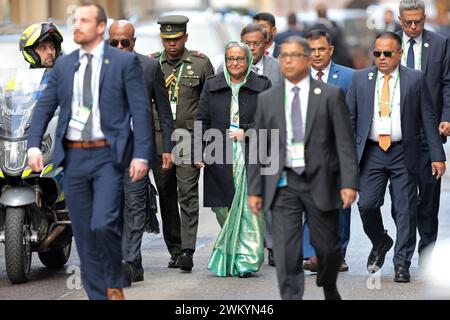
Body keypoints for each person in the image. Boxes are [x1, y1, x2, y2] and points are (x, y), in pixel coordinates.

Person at [27, 3, 153, 300]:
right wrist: (33, 144)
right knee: (83, 232)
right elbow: (45, 106)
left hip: (108, 157)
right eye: (75, 20)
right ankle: (100, 295)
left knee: (103, 223)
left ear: (99, 27)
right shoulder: (64, 65)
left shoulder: (123, 64)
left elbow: (141, 112)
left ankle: (112, 278)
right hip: (73, 159)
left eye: (84, 20)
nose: (77, 25)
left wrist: (142, 155)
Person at [247, 36, 358, 300]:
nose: (287, 60)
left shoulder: (330, 96)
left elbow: (344, 142)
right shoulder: (268, 99)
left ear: (308, 60)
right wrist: (254, 189)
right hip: (283, 184)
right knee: (286, 254)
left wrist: (349, 182)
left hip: (320, 182)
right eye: (283, 55)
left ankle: (329, 286)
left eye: (294, 55)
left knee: (328, 248)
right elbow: (258, 147)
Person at [346, 32, 446, 283]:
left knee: (405, 209)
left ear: (399, 54)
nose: (381, 58)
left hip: (404, 152)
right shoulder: (360, 79)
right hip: (372, 153)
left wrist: (437, 155)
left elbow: (428, 117)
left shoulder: (415, 79)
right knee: (367, 205)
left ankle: (402, 263)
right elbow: (350, 119)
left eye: (387, 53)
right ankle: (380, 239)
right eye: (377, 53)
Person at [194, 42, 271, 278]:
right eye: (230, 59)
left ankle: (246, 260)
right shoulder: (212, 85)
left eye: (240, 59)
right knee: (221, 208)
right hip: (220, 154)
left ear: (248, 62)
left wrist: (246, 132)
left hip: (251, 156)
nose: (235, 63)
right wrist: (198, 151)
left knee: (250, 209)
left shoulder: (263, 85)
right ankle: (231, 254)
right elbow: (201, 119)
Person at [108, 20, 174, 284]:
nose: (120, 47)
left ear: (134, 42)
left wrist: (167, 147)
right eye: (114, 43)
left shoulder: (149, 67)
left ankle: (129, 260)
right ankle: (129, 262)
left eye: (125, 42)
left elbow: (165, 111)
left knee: (136, 207)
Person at [151, 15, 215, 272]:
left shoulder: (200, 63)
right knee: (165, 194)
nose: (171, 44)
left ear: (185, 38)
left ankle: (188, 250)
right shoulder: (151, 63)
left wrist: (206, 144)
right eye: (167, 40)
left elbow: (210, 104)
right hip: (159, 139)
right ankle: (175, 250)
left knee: (187, 193)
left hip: (188, 138)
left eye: (176, 39)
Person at [396, 0, 450, 265]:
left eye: (418, 21)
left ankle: (427, 253)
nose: (414, 27)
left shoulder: (440, 43)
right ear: (399, 20)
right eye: (408, 22)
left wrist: (447, 117)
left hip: (430, 132)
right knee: (402, 201)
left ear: (425, 18)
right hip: (398, 133)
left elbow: (447, 82)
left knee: (428, 197)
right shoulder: (389, 45)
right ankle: (403, 250)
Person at [302, 29, 355, 273]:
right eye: (311, 50)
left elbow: (356, 117)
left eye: (321, 49)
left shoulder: (348, 78)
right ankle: (312, 253)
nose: (316, 54)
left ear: (330, 50)